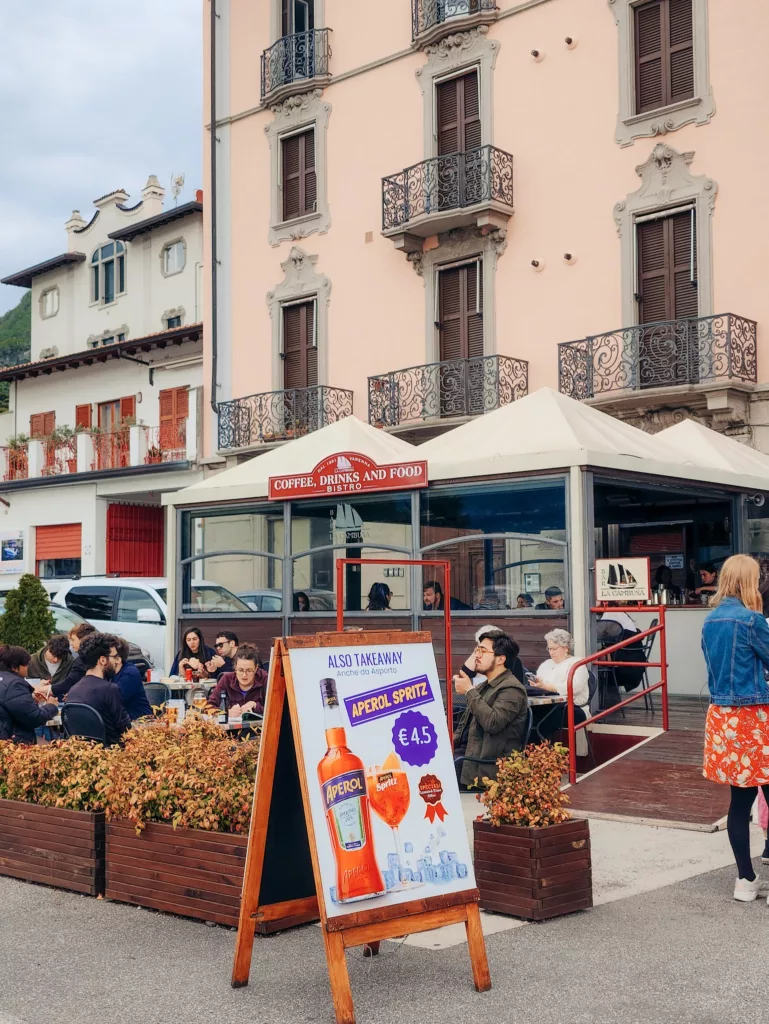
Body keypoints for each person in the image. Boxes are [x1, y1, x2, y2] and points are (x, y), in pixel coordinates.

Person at [701, 554, 769, 902]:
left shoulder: (710, 621)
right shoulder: (752, 621)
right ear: (749, 582)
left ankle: (745, 879)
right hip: (756, 718)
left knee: (739, 802)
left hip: (723, 718)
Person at [452, 630, 529, 786]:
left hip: (484, 768)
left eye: (483, 651)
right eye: (477, 650)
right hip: (467, 758)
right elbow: (464, 726)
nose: (477, 656)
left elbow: (493, 723)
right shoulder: (483, 686)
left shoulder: (512, 689)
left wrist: (468, 690)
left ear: (500, 659)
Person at [65, 633, 131, 746]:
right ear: (103, 660)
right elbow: (125, 728)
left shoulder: (73, 690)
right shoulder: (109, 689)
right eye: (115, 657)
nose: (117, 661)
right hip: (113, 756)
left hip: (84, 755)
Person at [533, 628, 590, 742]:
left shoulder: (577, 664)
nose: (551, 652)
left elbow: (574, 687)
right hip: (548, 705)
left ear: (566, 648)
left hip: (573, 708)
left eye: (554, 648)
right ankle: (538, 751)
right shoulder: (546, 664)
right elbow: (540, 684)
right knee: (530, 714)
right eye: (549, 648)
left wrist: (546, 686)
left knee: (541, 722)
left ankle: (538, 750)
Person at [0, 646, 59, 744]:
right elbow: (35, 718)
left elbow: (8, 702)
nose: (28, 668)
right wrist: (51, 705)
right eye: (26, 664)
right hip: (14, 743)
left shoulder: (4, 680)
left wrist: (29, 697)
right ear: (15, 667)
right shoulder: (14, 685)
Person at [207, 644, 268, 716]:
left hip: (260, 726)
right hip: (234, 726)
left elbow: (276, 710)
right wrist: (227, 713)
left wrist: (255, 706)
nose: (244, 675)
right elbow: (209, 707)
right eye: (240, 670)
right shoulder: (226, 679)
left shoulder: (265, 679)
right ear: (235, 668)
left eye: (249, 670)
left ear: (256, 668)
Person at [51, 622, 97, 699]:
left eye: (73, 640)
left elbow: (69, 683)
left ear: (83, 640)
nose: (71, 644)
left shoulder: (81, 660)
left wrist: (47, 689)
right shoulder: (96, 656)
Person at [112, 636, 151, 721]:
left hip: (141, 723)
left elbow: (116, 701)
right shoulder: (110, 672)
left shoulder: (129, 673)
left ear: (118, 660)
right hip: (125, 721)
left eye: (106, 655)